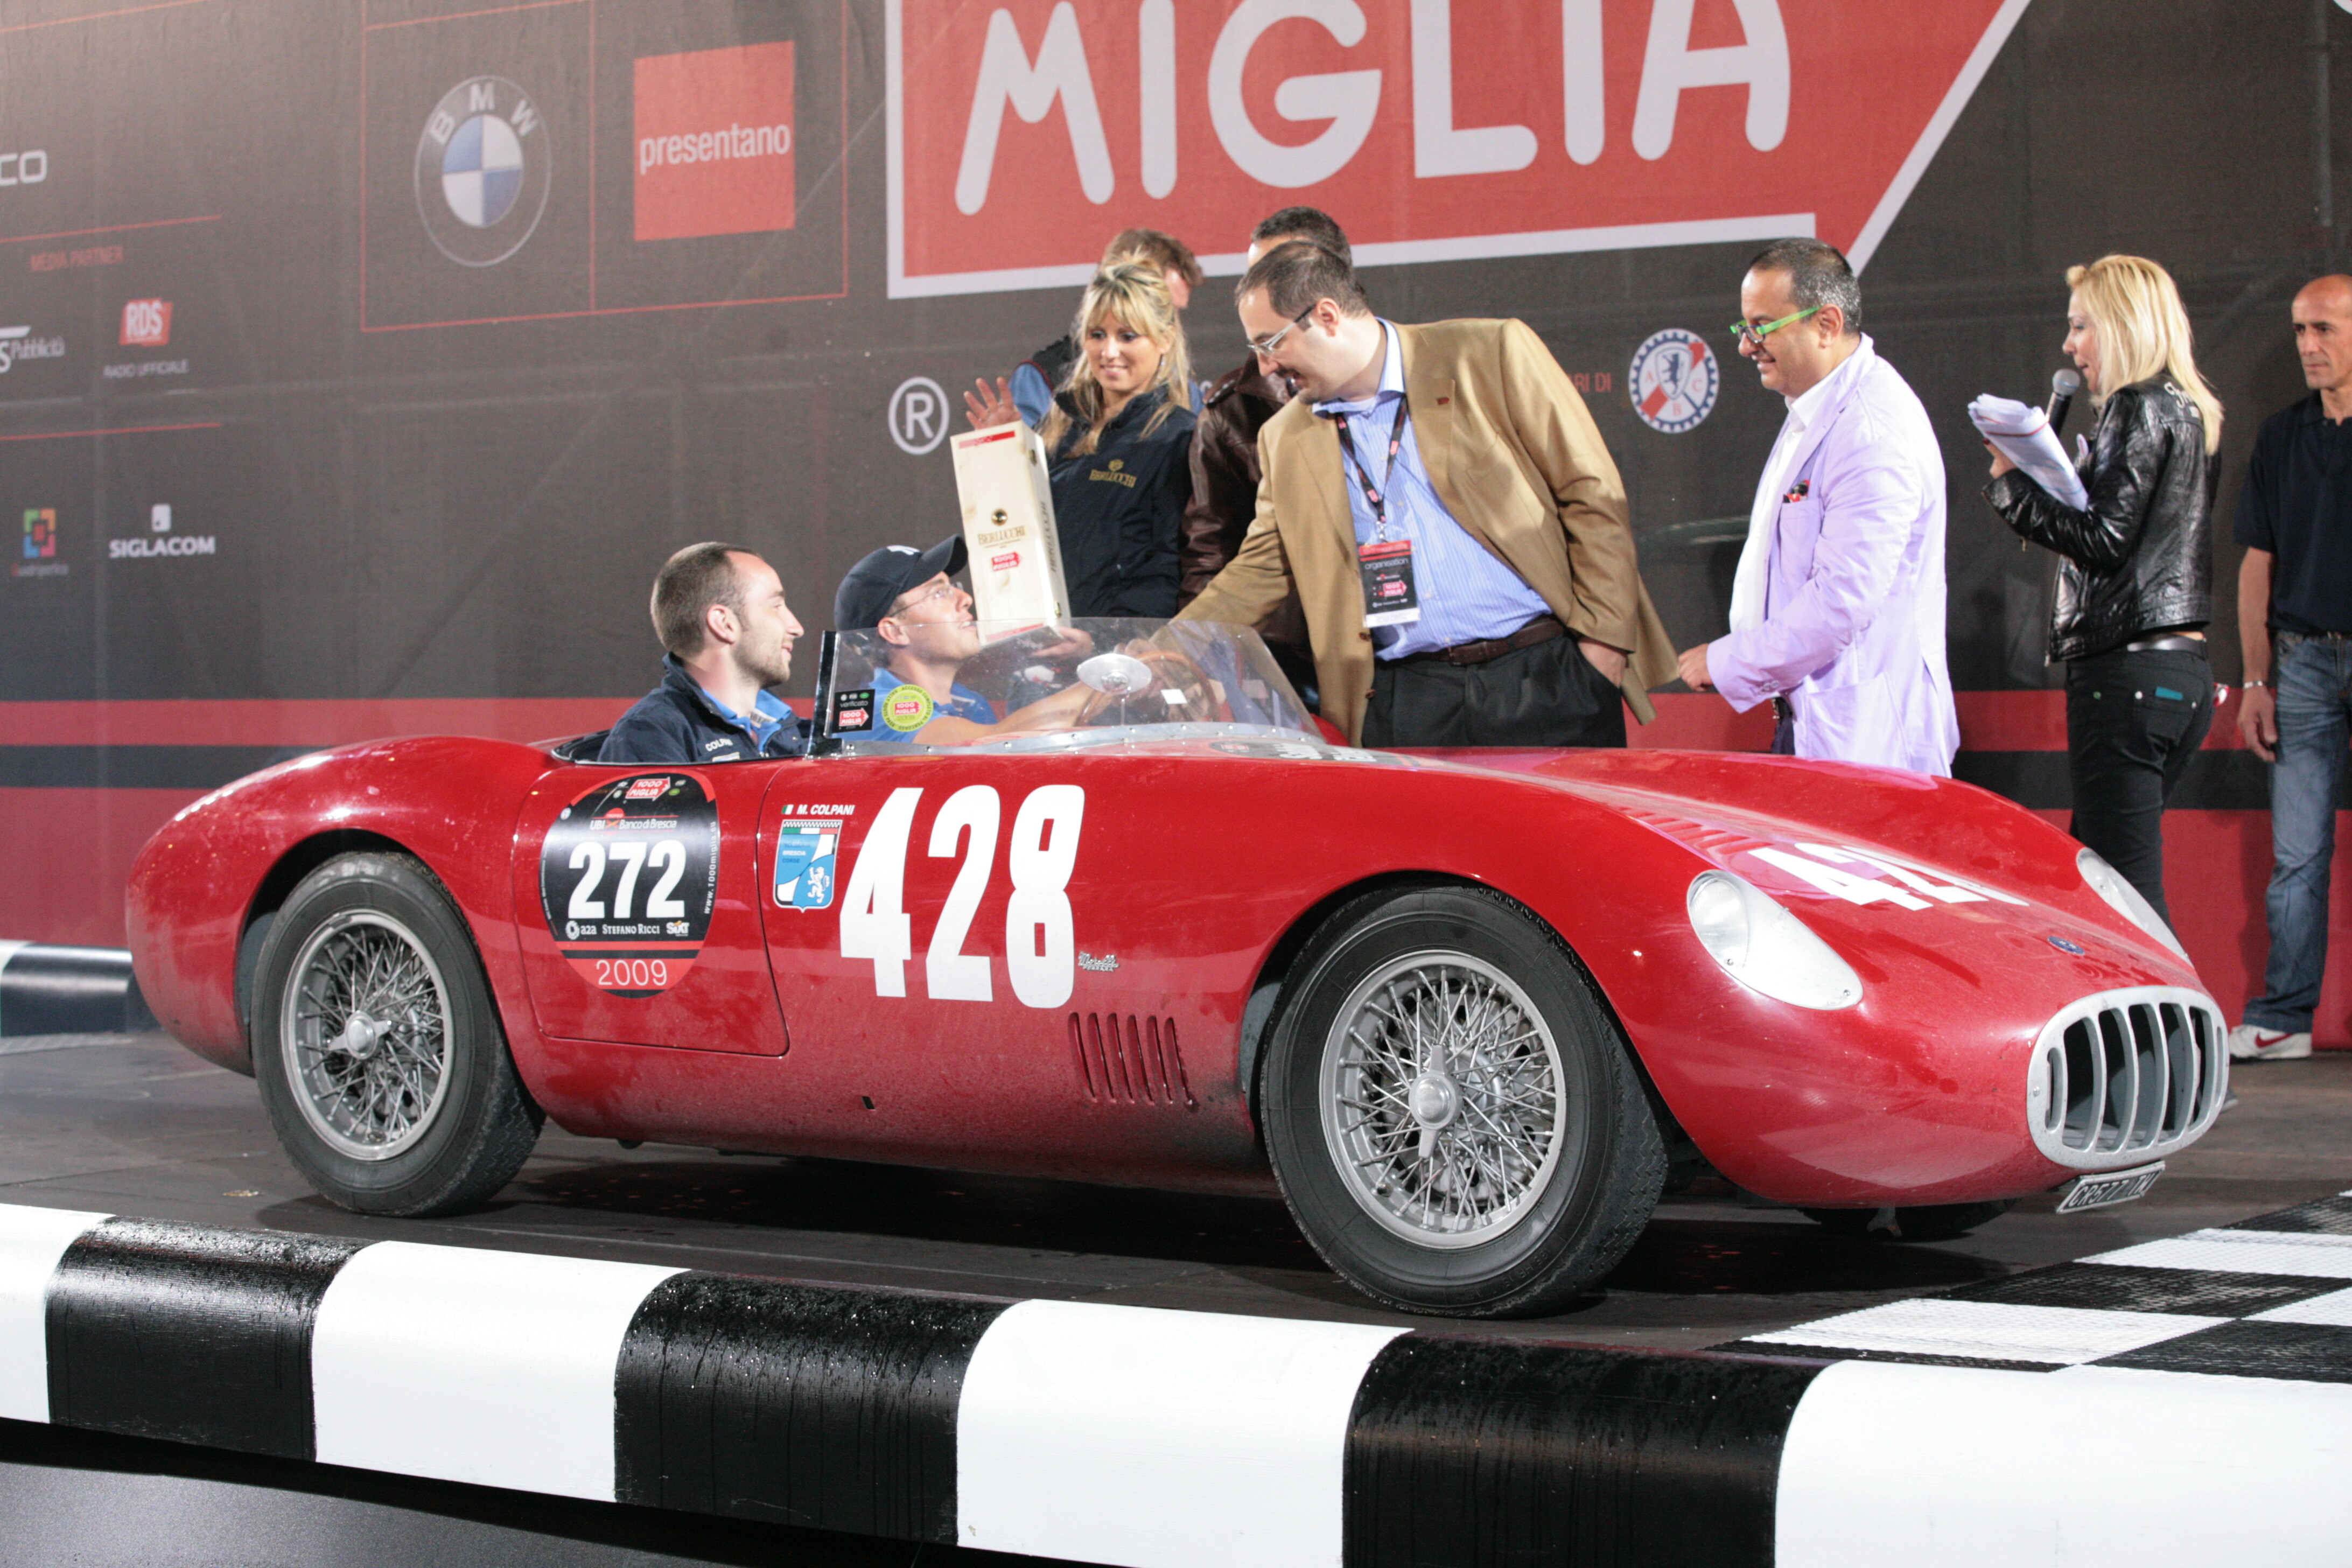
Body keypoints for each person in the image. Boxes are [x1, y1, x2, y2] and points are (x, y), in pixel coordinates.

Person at [1177, 241, 1674, 747]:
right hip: (1406, 698)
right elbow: (1260, 568)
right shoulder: (1284, 438)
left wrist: (1603, 647)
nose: (1264, 367)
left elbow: (1589, 493)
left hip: (1545, 673)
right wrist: (1168, 651)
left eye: (1270, 343)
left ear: (1326, 316)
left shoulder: (1490, 354)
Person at [1985, 255, 2223, 927]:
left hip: (2127, 678)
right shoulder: (2190, 411)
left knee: (2126, 898)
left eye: (2082, 326)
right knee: (2101, 889)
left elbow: (2103, 540)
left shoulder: (2136, 405)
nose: (2070, 345)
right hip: (2177, 674)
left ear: (2121, 326)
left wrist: (2011, 485)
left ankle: (2173, 1005)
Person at [1676, 240, 1958, 774]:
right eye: (1744, 328)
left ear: (1827, 324)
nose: (1747, 346)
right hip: (1823, 724)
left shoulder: (1870, 430)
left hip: (1867, 743)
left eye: (1762, 327)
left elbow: (1842, 600)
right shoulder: (1822, 409)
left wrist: (1731, 660)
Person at [2228, 274, 2352, 1061]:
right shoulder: (2281, 436)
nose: (2308, 345)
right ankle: (2285, 1018)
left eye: (2325, 329)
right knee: (2297, 854)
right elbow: (2256, 564)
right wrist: (2255, 681)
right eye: (2301, 329)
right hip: (2302, 663)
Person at [1178, 206, 1353, 708]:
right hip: (1289, 658)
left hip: (1410, 649)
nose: (1264, 286)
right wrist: (1192, 657)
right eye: (1256, 273)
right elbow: (1220, 555)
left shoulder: (1411, 374)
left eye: (1282, 269)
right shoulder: (1230, 410)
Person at [965, 262, 1196, 619]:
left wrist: (1102, 640)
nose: (1109, 352)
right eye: (1097, 334)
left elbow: (1170, 569)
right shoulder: (1058, 428)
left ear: (1165, 339)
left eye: (1128, 336)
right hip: (1045, 640)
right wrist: (1006, 459)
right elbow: (1018, 542)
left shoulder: (1180, 438)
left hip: (1121, 647)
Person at [601, 542, 809, 763]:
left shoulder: (788, 728)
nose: (797, 628)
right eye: (776, 606)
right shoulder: (652, 736)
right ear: (724, 624)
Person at [1010, 228, 1203, 428]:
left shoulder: (1186, 395)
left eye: (1170, 310)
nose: (1168, 321)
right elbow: (1020, 447)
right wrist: (1001, 441)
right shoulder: (1040, 378)